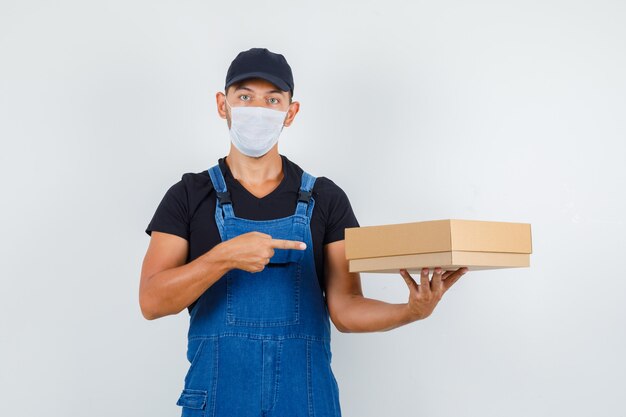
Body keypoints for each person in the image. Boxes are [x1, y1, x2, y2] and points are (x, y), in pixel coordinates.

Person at [140, 47, 468, 417]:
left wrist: (411, 311)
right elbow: (151, 301)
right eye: (245, 96)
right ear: (223, 104)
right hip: (217, 400)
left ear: (290, 112)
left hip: (305, 402)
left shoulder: (326, 199)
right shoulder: (187, 196)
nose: (257, 109)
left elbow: (345, 309)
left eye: (272, 99)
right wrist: (223, 257)